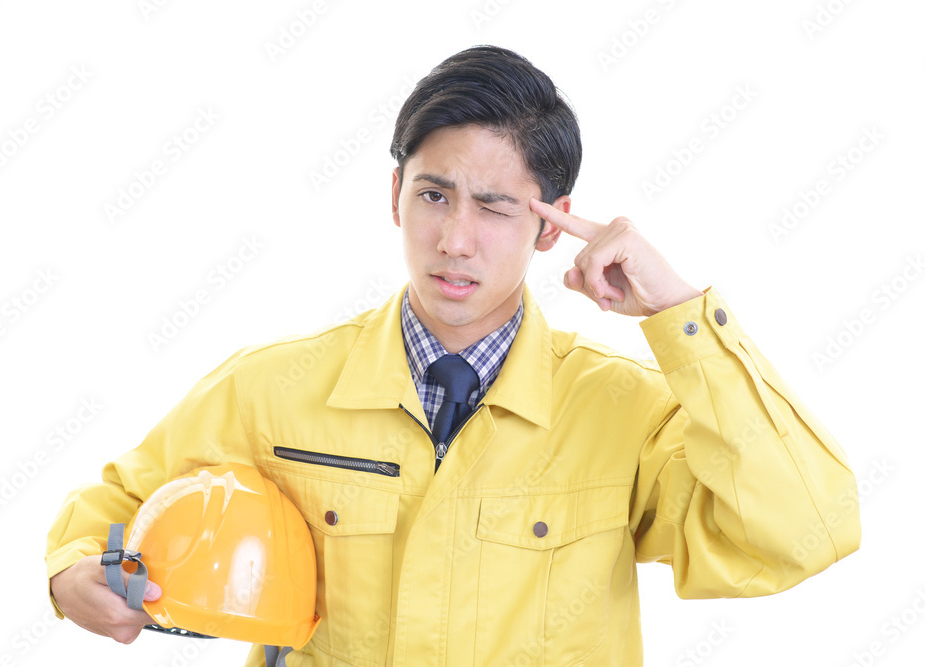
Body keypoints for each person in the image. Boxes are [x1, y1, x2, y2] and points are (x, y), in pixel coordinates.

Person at [46, 45, 861, 666]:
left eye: (495, 207)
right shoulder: (273, 389)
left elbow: (807, 528)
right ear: (394, 195)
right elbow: (115, 505)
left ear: (552, 225)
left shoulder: (625, 412)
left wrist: (680, 314)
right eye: (433, 195)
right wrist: (75, 572)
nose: (455, 239)